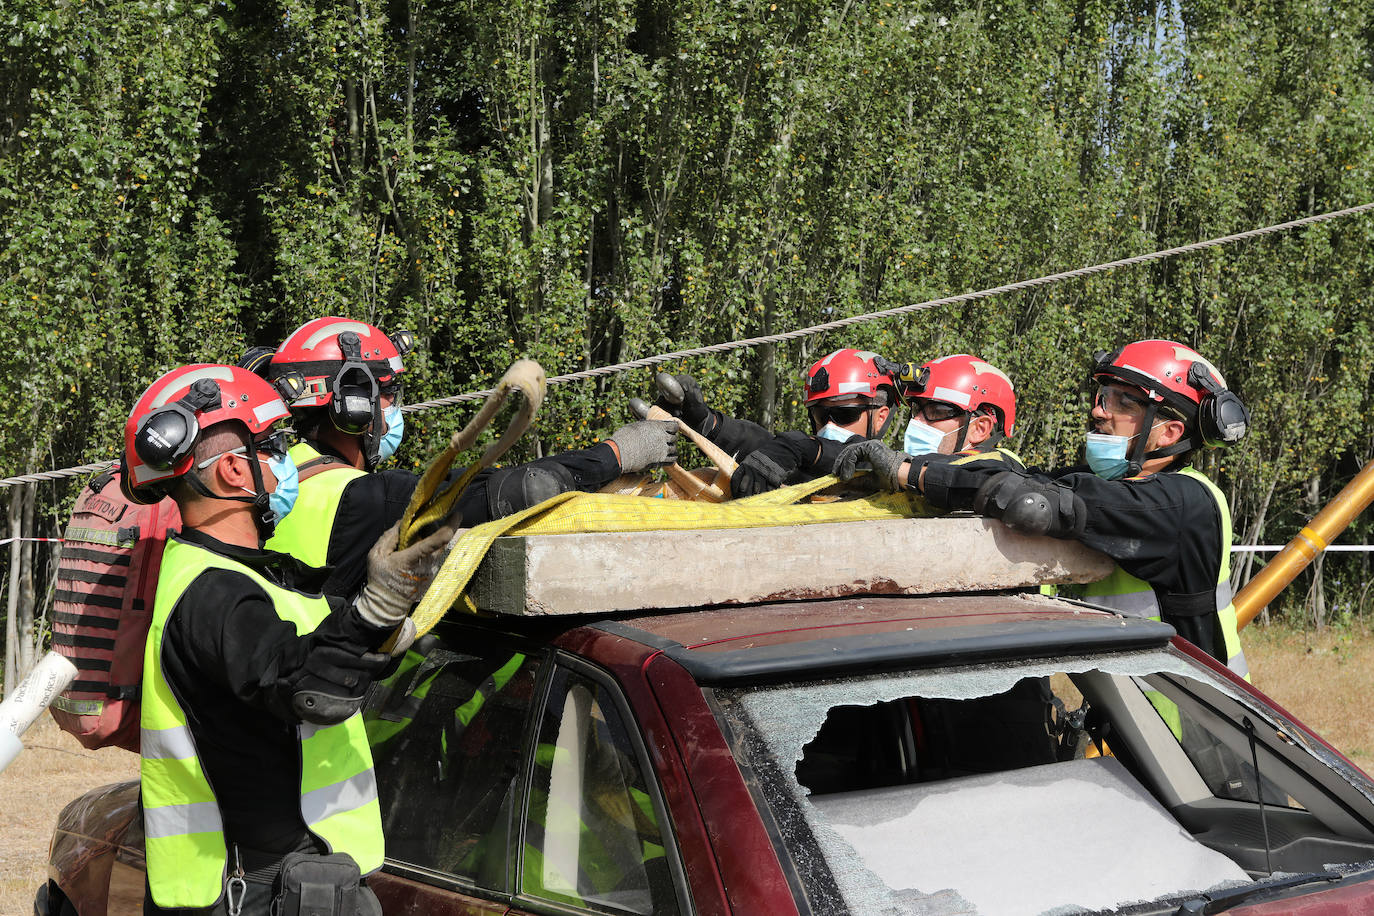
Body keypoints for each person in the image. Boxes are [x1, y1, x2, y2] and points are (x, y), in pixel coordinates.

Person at [121, 363, 454, 915]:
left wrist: (387, 628)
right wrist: (377, 607)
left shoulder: (243, 574)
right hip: (255, 889)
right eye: (271, 443)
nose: (287, 457)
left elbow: (311, 646)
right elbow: (305, 688)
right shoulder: (212, 594)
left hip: (274, 874)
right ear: (233, 471)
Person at [838, 340, 1249, 676]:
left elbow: (1032, 501)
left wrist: (909, 473)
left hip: (1196, 739)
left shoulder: (1180, 503)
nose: (1097, 410)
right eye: (1103, 396)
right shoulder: (1120, 487)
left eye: (1122, 402)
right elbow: (1026, 478)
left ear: (1169, 432)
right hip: (1138, 723)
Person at [257, 317, 678, 599]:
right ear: (354, 405)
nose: (393, 407)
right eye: (387, 393)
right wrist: (618, 453)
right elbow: (523, 491)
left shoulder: (272, 480)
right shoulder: (368, 499)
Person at [654, 348, 902, 497]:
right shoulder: (806, 468)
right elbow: (767, 444)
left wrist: (799, 446)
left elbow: (857, 460)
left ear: (880, 418)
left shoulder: (902, 474)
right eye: (820, 416)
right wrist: (707, 424)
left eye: (845, 414)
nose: (829, 426)